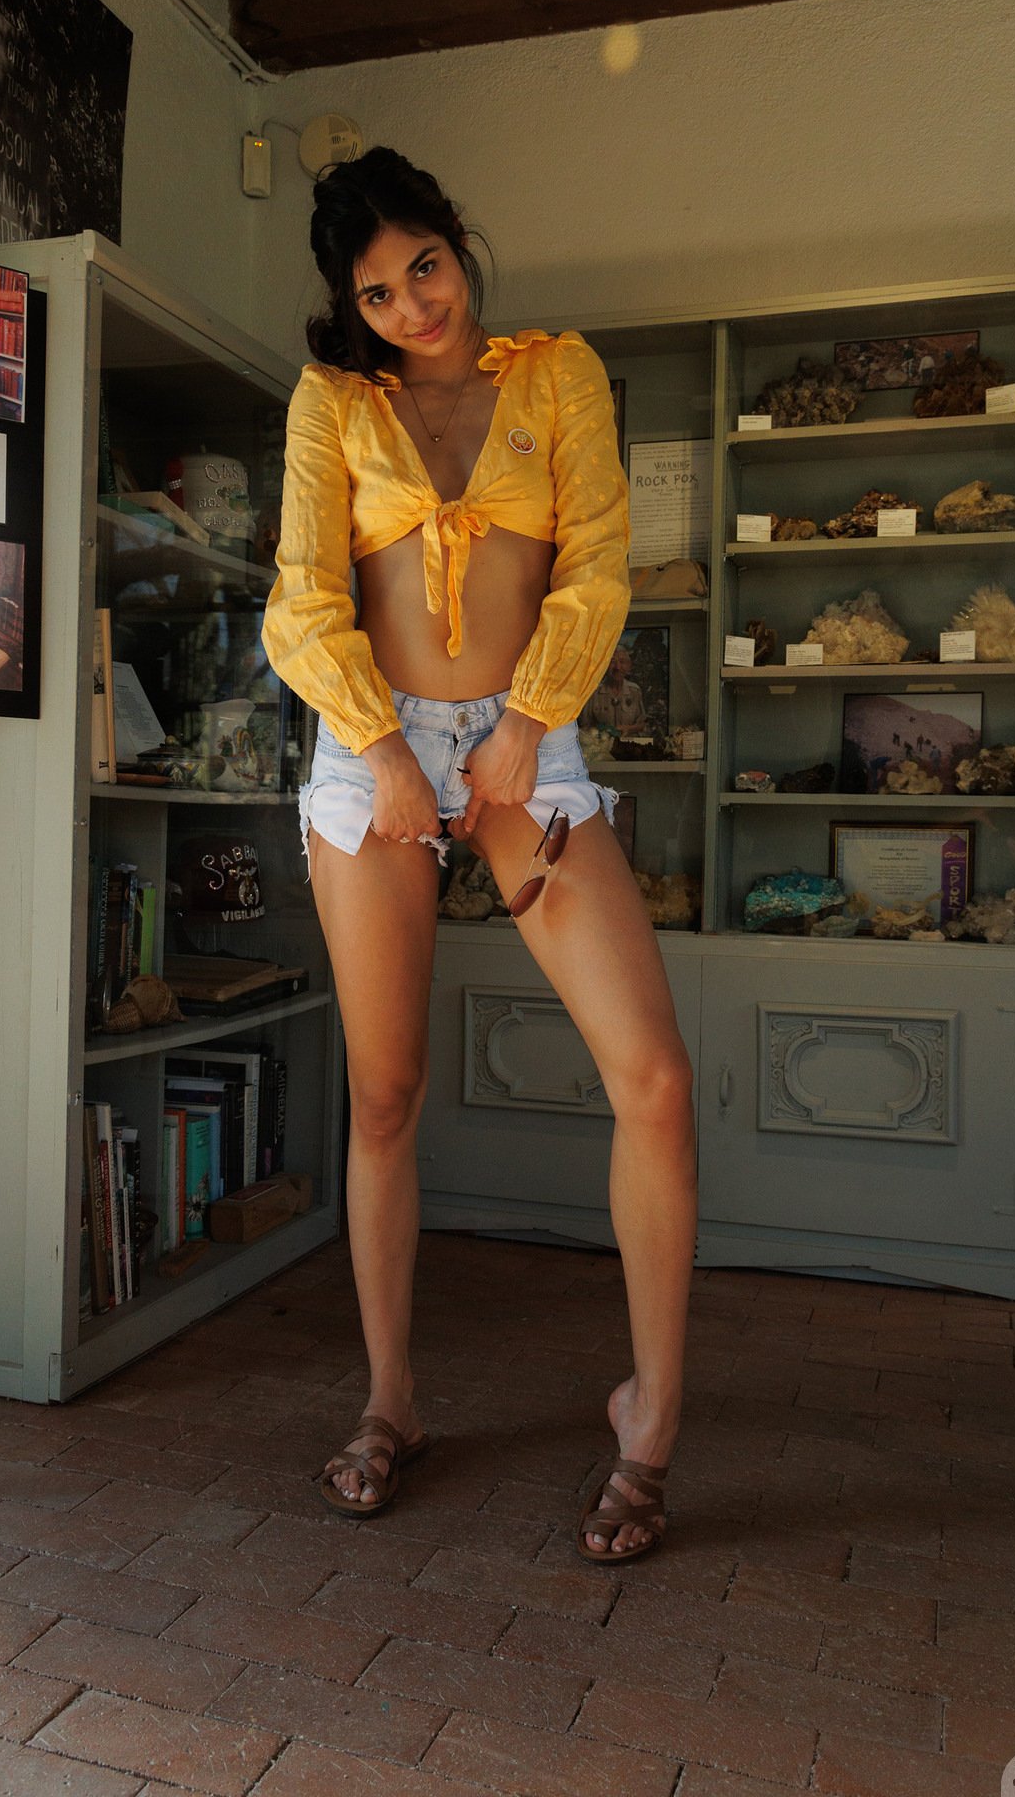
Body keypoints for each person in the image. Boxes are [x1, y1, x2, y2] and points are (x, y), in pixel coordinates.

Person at [262, 147, 697, 1564]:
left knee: (654, 1080)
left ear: (457, 243)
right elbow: (301, 599)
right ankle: (390, 1401)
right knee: (385, 1093)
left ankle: (649, 1416)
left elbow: (599, 566)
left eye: (424, 266)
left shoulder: (558, 377)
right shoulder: (333, 402)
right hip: (371, 748)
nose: (411, 305)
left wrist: (523, 722)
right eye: (377, 293)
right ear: (352, 306)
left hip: (527, 744)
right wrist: (382, 748)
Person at [580, 641, 648, 735]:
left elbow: (642, 724)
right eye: (612, 662)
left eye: (622, 662)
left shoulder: (635, 691)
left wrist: (628, 729)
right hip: (601, 743)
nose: (617, 667)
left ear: (629, 666)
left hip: (628, 743)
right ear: (605, 665)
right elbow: (584, 726)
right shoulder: (593, 692)